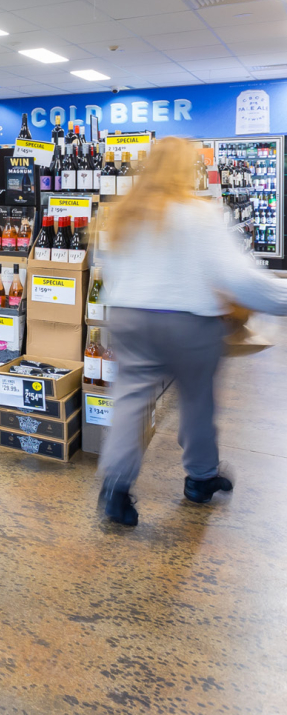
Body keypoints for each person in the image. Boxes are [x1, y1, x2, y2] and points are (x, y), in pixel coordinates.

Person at [99, 137, 287, 526]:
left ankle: (115, 488)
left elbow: (110, 273)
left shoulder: (124, 215)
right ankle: (200, 480)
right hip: (188, 324)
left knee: (130, 402)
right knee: (198, 400)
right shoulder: (200, 214)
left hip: (128, 319)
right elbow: (239, 279)